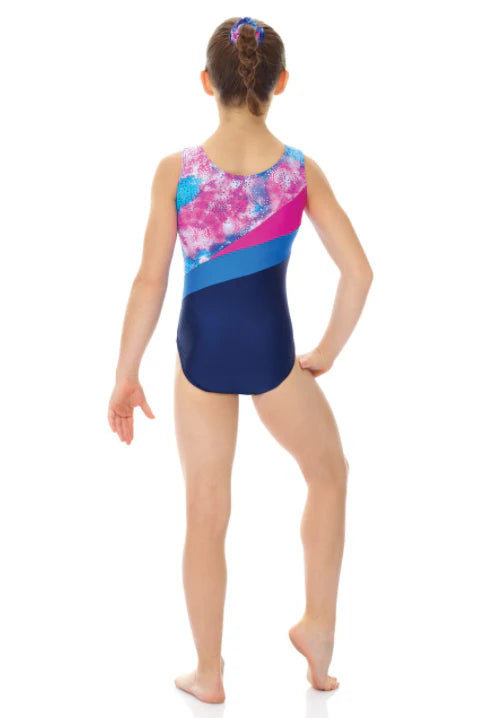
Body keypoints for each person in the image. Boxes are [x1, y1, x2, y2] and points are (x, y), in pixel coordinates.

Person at [108, 16, 373, 705]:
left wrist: (126, 373)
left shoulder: (176, 172)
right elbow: (359, 273)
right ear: (279, 83)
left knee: (206, 510)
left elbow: (149, 281)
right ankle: (318, 629)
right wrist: (325, 352)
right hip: (273, 354)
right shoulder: (298, 171)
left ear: (207, 83)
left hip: (200, 353)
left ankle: (209, 671)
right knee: (329, 474)